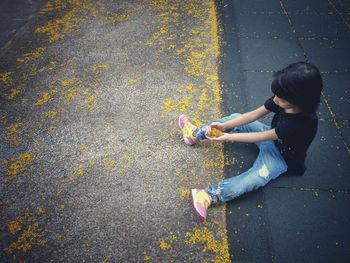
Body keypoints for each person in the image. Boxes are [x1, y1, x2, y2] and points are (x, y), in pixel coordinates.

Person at [178, 62, 323, 222]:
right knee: (235, 117)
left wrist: (227, 137)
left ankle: (208, 195)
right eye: (276, 94)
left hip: (281, 158)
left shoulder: (301, 123)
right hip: (271, 136)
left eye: (280, 98)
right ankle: (195, 134)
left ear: (298, 100)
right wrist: (225, 126)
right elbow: (254, 115)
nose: (275, 99)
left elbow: (261, 137)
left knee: (254, 178)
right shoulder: (282, 98)